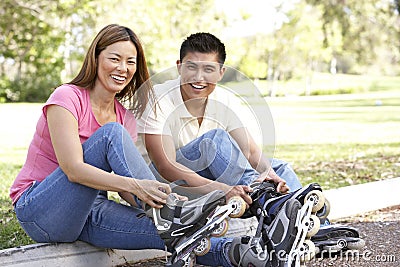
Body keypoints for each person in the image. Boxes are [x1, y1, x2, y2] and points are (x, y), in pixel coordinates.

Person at [136, 32, 365, 257]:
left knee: (279, 168)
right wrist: (225, 189)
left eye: (208, 69)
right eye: (191, 67)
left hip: (201, 181)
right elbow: (166, 166)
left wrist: (267, 172)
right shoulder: (158, 97)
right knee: (213, 141)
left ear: (221, 72)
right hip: (161, 188)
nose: (199, 77)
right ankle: (273, 206)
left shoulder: (224, 100)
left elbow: (250, 150)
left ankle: (316, 229)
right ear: (179, 66)